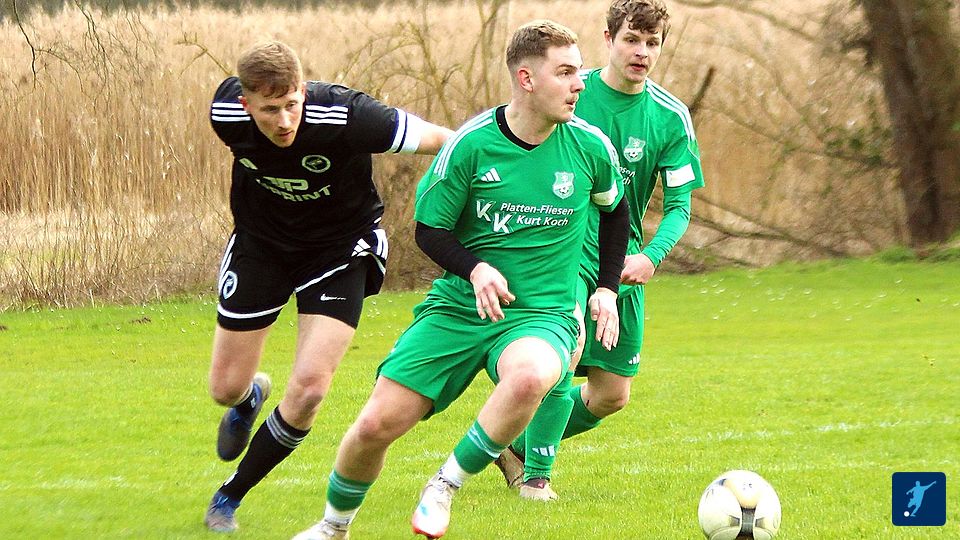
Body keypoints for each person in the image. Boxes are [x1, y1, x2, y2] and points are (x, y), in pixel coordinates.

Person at [292, 19, 629, 540]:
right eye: (565, 72)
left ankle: (444, 485)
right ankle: (333, 527)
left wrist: (605, 287)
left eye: (578, 71)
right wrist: (475, 268)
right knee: (375, 426)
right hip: (458, 309)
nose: (579, 84)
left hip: (543, 312)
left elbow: (615, 211)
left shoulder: (590, 146)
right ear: (526, 79)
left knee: (532, 375)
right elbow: (430, 228)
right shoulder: (471, 144)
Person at [202, 40, 453, 533]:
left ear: (303, 89)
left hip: (340, 252)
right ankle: (248, 398)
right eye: (269, 110)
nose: (284, 121)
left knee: (309, 390)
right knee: (224, 389)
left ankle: (229, 496)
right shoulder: (224, 113)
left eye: (292, 104)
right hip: (262, 248)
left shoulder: (349, 116)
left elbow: (446, 140)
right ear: (245, 103)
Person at [494, 0, 706, 500]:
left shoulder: (670, 117)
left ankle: (512, 445)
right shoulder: (571, 94)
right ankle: (537, 478)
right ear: (608, 39)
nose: (641, 52)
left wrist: (651, 256)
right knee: (563, 356)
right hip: (563, 253)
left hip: (623, 260)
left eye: (652, 43)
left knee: (612, 394)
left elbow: (679, 205)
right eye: (631, 39)